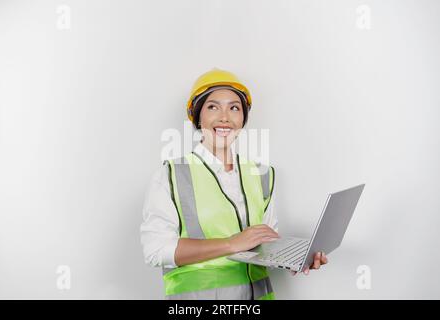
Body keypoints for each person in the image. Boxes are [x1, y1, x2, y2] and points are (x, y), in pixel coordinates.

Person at [140, 68, 328, 300]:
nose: (224, 117)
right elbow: (156, 250)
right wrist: (231, 243)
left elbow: (265, 242)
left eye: (234, 108)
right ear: (198, 116)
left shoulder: (263, 175)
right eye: (212, 107)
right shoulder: (170, 175)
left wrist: (294, 258)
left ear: (242, 120)